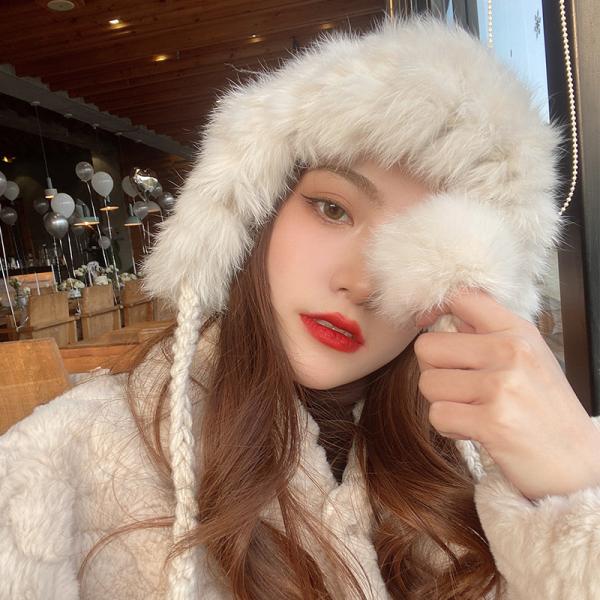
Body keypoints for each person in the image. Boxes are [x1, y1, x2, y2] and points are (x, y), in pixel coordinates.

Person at [2, 16, 600, 600]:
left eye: (423, 249)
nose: (359, 284)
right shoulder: (62, 465)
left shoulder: (495, 466)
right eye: (332, 209)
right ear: (257, 212)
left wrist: (577, 491)